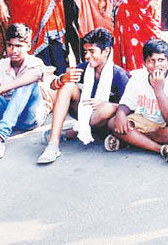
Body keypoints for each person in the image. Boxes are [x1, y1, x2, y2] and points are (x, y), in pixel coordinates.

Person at [36, 28, 129, 164]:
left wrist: (107, 105)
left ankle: (74, 132)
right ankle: (53, 143)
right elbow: (53, 88)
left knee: (107, 109)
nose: (87, 56)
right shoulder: (86, 67)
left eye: (92, 51)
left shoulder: (119, 74)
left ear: (106, 51)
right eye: (86, 52)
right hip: (86, 112)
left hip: (106, 120)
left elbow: (132, 106)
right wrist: (62, 79)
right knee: (67, 86)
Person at [105, 39, 168, 163]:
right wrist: (120, 114)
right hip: (143, 121)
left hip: (163, 127)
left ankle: (131, 140)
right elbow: (127, 103)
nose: (157, 65)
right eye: (151, 61)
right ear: (145, 63)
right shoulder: (137, 77)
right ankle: (160, 149)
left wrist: (158, 90)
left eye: (161, 60)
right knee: (113, 122)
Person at [0, 24, 50, 160]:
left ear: (28, 46)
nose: (13, 50)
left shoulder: (35, 61)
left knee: (26, 82)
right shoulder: (2, 64)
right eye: (10, 45)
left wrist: (1, 89)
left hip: (29, 118)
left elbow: (35, 75)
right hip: (5, 112)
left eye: (19, 46)